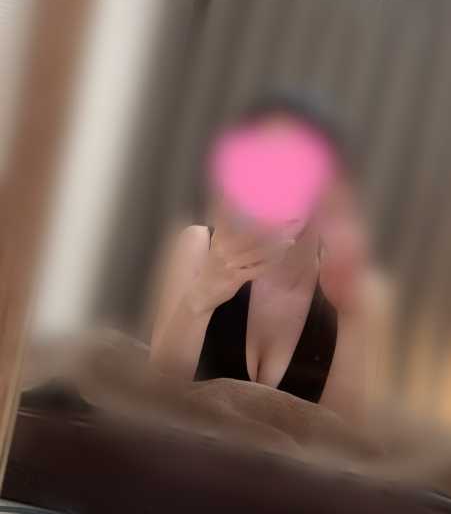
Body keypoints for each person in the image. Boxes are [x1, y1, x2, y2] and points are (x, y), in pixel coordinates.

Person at [150, 92, 391, 416]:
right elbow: (155, 398)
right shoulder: (198, 246)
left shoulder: (357, 290)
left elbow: (340, 435)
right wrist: (202, 296)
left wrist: (349, 316)